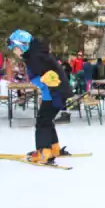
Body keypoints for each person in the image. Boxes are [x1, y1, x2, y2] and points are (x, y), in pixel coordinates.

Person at [6, 30, 74, 164]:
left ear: (23, 45)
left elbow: (50, 75)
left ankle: (43, 152)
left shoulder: (35, 58)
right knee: (47, 120)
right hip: (54, 93)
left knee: (42, 121)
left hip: (55, 93)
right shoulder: (36, 54)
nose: (14, 51)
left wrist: (52, 85)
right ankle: (54, 148)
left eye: (15, 48)